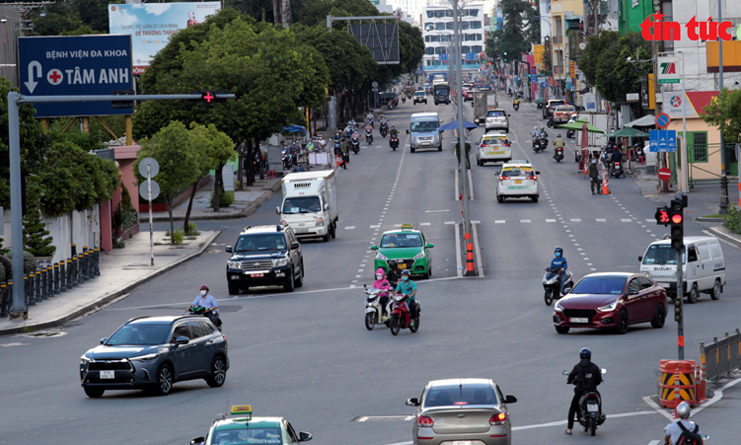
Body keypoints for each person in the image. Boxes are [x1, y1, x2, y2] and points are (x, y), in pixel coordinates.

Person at [565, 348, 603, 435]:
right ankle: (599, 414)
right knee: (599, 400)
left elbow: (571, 376)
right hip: (592, 391)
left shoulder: (578, 367)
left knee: (573, 407)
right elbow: (598, 380)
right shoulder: (594, 367)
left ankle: (569, 429)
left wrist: (569, 380)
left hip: (580, 391)